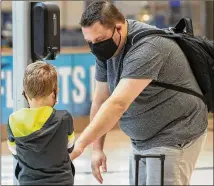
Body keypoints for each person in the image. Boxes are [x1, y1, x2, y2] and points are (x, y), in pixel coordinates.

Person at [71, 1, 208, 185]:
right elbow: (101, 99)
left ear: (118, 28)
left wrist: (80, 144)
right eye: (90, 42)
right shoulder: (106, 51)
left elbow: (117, 104)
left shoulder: (148, 47)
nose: (95, 47)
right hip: (141, 140)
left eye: (99, 40)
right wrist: (97, 149)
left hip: (175, 133)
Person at [7, 61, 75, 185]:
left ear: (25, 93)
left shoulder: (14, 120)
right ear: (55, 91)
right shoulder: (64, 118)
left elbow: (14, 150)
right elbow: (70, 147)